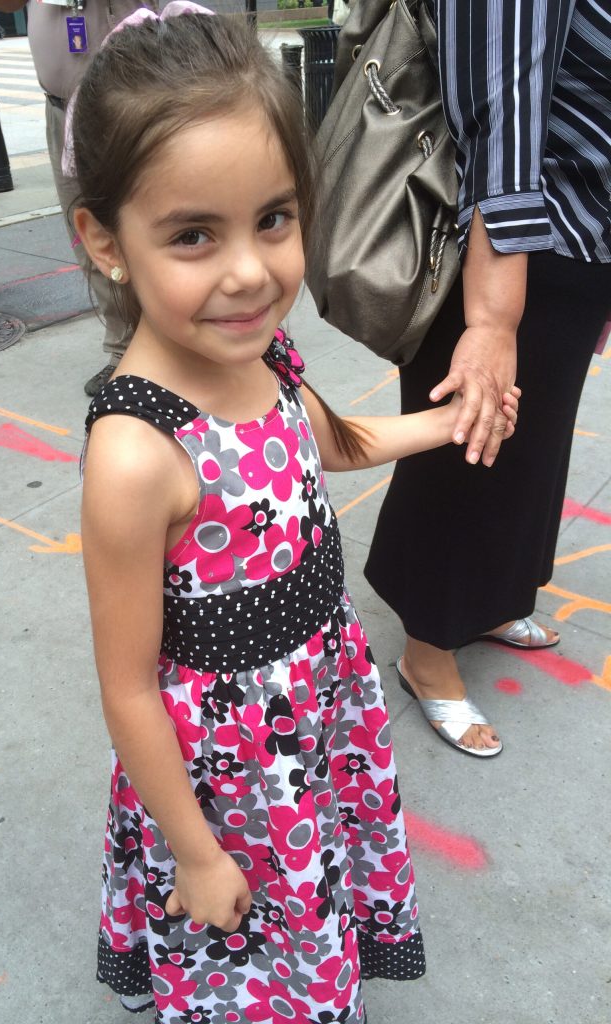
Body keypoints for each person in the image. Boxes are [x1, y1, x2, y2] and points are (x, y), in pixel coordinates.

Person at [74, 7, 519, 1020]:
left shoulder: (263, 359)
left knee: (309, 883)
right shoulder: (136, 452)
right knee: (246, 927)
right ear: (103, 239)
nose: (250, 272)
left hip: (316, 703)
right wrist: (194, 849)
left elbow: (337, 443)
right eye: (194, 234)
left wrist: (453, 422)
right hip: (230, 767)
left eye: (274, 219)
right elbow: (129, 688)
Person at [364, 0, 611, 757]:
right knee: (464, 454)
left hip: (580, 240)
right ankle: (427, 650)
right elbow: (498, 104)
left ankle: (492, 600)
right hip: (500, 249)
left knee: (530, 453)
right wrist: (494, 319)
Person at [0, 0, 142, 395]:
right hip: (60, 108)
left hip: (125, 102)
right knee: (90, 236)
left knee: (143, 226)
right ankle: (125, 347)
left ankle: (168, 338)